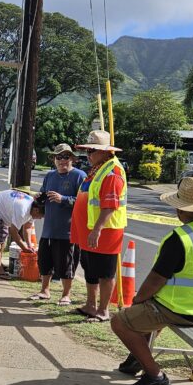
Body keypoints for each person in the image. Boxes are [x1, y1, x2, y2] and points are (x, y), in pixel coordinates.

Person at [110, 177, 193, 385]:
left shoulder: (180, 238)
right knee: (148, 310)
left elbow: (156, 280)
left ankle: (155, 376)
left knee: (120, 321)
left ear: (180, 209)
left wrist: (137, 300)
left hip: (180, 309)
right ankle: (137, 358)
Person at [70, 130, 127, 322]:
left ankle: (103, 310)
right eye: (87, 151)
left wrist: (97, 230)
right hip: (89, 229)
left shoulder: (112, 173)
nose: (88, 155)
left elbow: (110, 205)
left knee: (105, 272)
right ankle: (90, 305)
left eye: (91, 151)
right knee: (90, 268)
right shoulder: (98, 169)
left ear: (104, 151)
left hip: (105, 232)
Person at [30, 143, 86, 304]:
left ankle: (66, 294)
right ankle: (44, 290)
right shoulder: (50, 175)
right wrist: (38, 197)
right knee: (44, 261)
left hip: (68, 230)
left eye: (66, 157)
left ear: (72, 159)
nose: (62, 160)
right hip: (49, 228)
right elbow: (43, 194)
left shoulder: (79, 176)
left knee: (66, 264)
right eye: (58, 157)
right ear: (54, 159)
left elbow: (84, 201)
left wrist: (63, 199)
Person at [0, 188, 44, 278]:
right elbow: (13, 232)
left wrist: (29, 246)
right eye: (41, 216)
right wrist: (24, 248)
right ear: (36, 210)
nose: (40, 218)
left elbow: (27, 228)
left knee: (3, 237)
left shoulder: (34, 207)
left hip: (2, 209)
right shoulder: (23, 209)